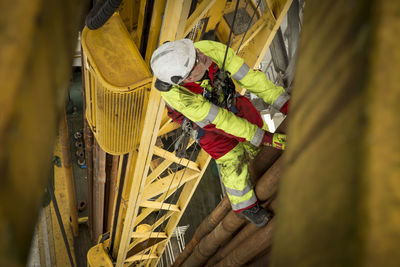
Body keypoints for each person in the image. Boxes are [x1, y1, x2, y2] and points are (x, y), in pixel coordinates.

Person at [150, 39, 289, 227]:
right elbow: (222, 121)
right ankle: (245, 207)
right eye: (196, 60)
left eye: (195, 51)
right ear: (187, 79)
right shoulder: (181, 98)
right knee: (231, 156)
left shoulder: (208, 49)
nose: (201, 55)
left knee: (251, 119)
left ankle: (265, 161)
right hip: (202, 122)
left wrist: (284, 104)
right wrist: (265, 137)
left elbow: (250, 78)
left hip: (224, 98)